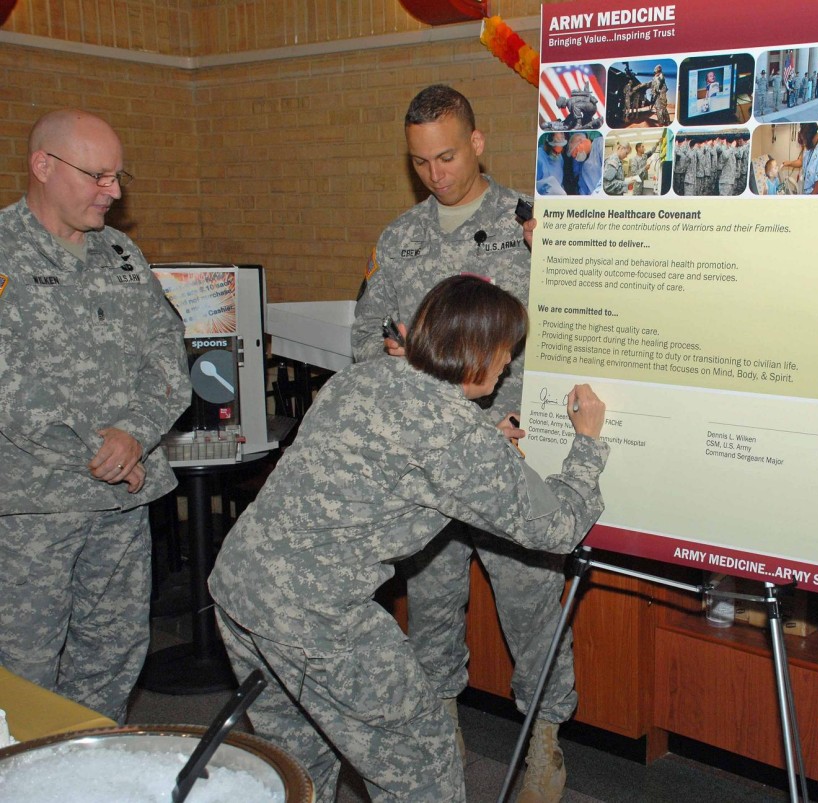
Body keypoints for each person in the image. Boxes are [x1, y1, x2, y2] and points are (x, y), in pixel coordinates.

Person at [212, 276, 609, 803]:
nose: (507, 366)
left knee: (299, 762)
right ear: (480, 352)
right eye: (506, 352)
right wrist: (586, 444)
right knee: (423, 763)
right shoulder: (451, 430)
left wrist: (484, 442)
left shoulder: (365, 377)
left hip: (240, 588)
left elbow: (394, 454)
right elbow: (555, 527)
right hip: (317, 616)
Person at [351, 84, 577, 802]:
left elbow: (575, 330)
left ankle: (544, 738)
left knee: (532, 608)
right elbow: (365, 347)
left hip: (510, 459)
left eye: (447, 155)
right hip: (428, 468)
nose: (436, 173)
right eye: (420, 162)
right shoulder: (399, 239)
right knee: (434, 609)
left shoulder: (532, 227)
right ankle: (438, 731)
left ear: (477, 143)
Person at [0, 109, 190, 721]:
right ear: (43, 166)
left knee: (112, 653)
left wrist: (134, 436)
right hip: (35, 508)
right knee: (23, 667)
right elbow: (11, 386)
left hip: (121, 502)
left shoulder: (122, 253)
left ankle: (93, 769)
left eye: (118, 176)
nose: (114, 190)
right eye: (98, 175)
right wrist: (101, 450)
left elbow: (167, 351)